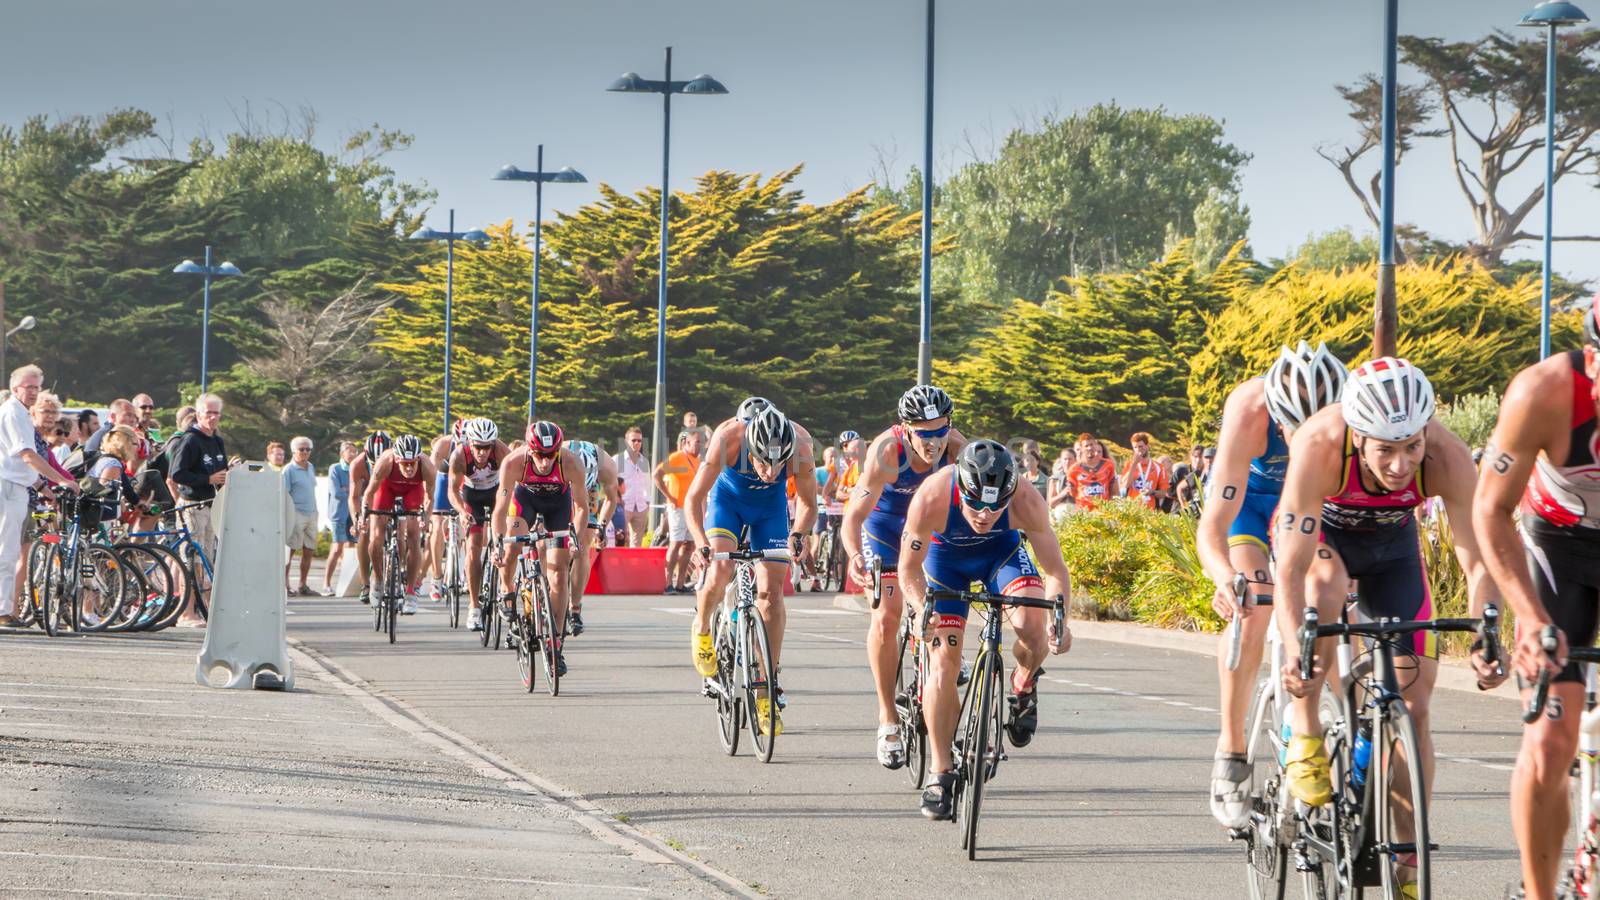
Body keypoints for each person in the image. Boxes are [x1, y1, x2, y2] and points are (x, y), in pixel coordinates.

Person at [1273, 358, 1504, 897]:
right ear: (1356, 435)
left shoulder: (1445, 456)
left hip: (1392, 549)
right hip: (1323, 539)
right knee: (1323, 588)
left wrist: (1484, 635)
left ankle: (1407, 858)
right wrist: (1293, 648)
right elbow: (1289, 565)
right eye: (1385, 450)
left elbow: (1478, 559)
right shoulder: (1320, 444)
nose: (1401, 465)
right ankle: (1305, 730)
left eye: (1411, 447)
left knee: (1415, 705)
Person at [1472, 305, 1600, 900]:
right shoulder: (1542, 393)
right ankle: (1539, 892)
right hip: (1558, 550)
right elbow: (1490, 509)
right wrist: (1528, 617)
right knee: (1550, 741)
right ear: (1593, 360)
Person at [1196, 341, 1346, 827]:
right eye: (1291, 428)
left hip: (1312, 508)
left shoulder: (1351, 413)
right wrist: (1226, 578)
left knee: (1335, 601)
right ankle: (1232, 748)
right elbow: (1212, 527)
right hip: (1254, 507)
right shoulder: (1248, 410)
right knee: (1254, 607)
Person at [897, 439, 1073, 820]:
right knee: (943, 662)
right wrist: (918, 607)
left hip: (1001, 554)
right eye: (975, 502)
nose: (985, 513)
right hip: (945, 561)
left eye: (996, 505)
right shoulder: (932, 495)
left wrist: (1062, 620)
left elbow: (1056, 572)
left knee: (1033, 625)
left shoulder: (1027, 499)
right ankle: (940, 773)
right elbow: (908, 571)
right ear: (961, 486)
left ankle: (1023, 682)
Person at [841, 385, 967, 768]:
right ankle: (887, 719)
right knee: (887, 615)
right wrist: (853, 555)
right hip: (885, 526)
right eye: (924, 433)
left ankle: (945, 727)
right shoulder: (886, 452)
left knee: (941, 621)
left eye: (940, 430)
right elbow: (854, 516)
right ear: (906, 428)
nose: (934, 441)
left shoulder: (956, 448)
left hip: (927, 527)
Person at [685, 403, 819, 736]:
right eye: (762, 462)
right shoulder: (728, 438)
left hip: (769, 510)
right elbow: (693, 498)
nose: (772, 473)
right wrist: (701, 541)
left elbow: (808, 505)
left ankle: (766, 686)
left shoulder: (801, 445)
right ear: (750, 447)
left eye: (778, 465)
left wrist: (798, 534)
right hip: (727, 503)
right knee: (719, 570)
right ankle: (702, 627)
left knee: (771, 594)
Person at [491, 421, 590, 675]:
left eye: (550, 456)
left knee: (558, 571)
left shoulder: (571, 463)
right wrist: (497, 543)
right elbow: (500, 510)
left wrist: (576, 538)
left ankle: (555, 642)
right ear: (529, 450)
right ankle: (507, 589)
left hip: (558, 504)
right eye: (539, 456)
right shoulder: (514, 462)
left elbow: (582, 509)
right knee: (512, 546)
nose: (545, 463)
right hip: (526, 501)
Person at [169, 392, 228, 627]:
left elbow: (221, 470)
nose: (212, 418)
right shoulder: (190, 439)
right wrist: (208, 478)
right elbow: (177, 474)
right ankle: (186, 611)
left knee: (207, 558)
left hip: (211, 504)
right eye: (208, 413)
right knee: (191, 557)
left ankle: (204, 607)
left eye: (216, 413)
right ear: (199, 414)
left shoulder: (217, 440)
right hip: (191, 504)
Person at [360, 435, 435, 616]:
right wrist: (364, 516)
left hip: (413, 490)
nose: (409, 468)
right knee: (376, 537)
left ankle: (410, 592)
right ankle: (377, 579)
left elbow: (430, 497)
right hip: (386, 488)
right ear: (396, 459)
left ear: (418, 459)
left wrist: (426, 517)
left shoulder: (427, 467)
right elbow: (369, 492)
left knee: (414, 536)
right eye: (404, 464)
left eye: (412, 463)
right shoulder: (385, 462)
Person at [446, 418, 507, 632]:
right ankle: (474, 606)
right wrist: (462, 512)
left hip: (497, 492)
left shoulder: (501, 452)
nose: (482, 452)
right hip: (472, 497)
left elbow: (515, 484)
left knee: (504, 540)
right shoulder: (459, 456)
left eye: (486, 447)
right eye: (478, 447)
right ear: (469, 443)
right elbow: (453, 491)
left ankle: (505, 589)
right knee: (473, 547)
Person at [565, 437, 620, 636]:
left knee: (581, 548)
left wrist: (602, 526)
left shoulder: (607, 467)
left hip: (588, 495)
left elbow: (611, 500)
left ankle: (575, 608)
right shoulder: (558, 457)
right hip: (558, 486)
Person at [655, 429, 703, 593]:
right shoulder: (677, 458)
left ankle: (680, 583)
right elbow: (657, 475)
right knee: (675, 543)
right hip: (677, 507)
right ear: (687, 443)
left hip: (692, 508)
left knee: (689, 545)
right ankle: (668, 583)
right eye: (696, 442)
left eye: (700, 443)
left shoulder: (697, 460)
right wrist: (669, 496)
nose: (699, 446)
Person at [348, 431, 391, 605]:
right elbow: (354, 497)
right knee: (364, 533)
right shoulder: (358, 464)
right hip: (369, 497)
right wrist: (358, 519)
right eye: (374, 462)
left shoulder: (396, 460)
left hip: (390, 493)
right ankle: (366, 583)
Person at [425, 424, 462, 604]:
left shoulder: (480, 448)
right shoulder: (443, 445)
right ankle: (437, 578)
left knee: (468, 522)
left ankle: (460, 568)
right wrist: (428, 504)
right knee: (438, 526)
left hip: (465, 480)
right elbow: (430, 476)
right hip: (443, 479)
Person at [283, 436, 319, 596]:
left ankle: (303, 585)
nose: (305, 452)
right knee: (290, 550)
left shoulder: (310, 466)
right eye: (301, 449)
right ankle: (285, 584)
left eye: (308, 449)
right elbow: (285, 494)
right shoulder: (288, 470)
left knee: (309, 549)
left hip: (311, 513)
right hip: (296, 512)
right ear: (294, 451)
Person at [323, 441, 358, 597]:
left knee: (351, 547)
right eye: (348, 451)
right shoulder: (335, 468)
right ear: (342, 453)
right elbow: (336, 492)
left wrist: (351, 492)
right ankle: (326, 583)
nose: (351, 454)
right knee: (337, 548)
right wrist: (352, 494)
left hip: (354, 513)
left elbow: (362, 490)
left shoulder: (357, 467)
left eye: (354, 451)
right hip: (339, 513)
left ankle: (346, 583)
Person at [615, 426, 651, 547]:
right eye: (633, 440)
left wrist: (648, 502)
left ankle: (633, 565)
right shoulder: (617, 459)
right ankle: (618, 565)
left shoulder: (644, 461)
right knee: (620, 538)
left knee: (637, 543)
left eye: (639, 440)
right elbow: (610, 482)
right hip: (623, 505)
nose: (636, 443)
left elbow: (647, 483)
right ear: (626, 441)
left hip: (640, 505)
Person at [1119, 432, 1170, 509]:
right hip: (1132, 510)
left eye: (1140, 446)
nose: (1138, 450)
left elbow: (1164, 493)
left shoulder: (1159, 467)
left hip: (1150, 511)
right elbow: (1125, 485)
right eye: (1135, 447)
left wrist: (1152, 492)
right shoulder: (1129, 465)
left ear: (1147, 446)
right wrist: (1134, 464)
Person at [1065, 433, 1116, 508]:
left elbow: (1113, 487)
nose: (1089, 448)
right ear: (1081, 448)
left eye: (1091, 445)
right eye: (1086, 446)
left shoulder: (1108, 465)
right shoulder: (1074, 469)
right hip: (1084, 511)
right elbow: (1073, 492)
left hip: (1104, 510)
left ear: (1095, 445)